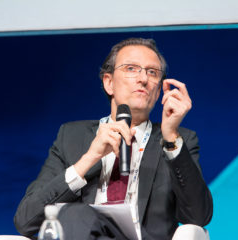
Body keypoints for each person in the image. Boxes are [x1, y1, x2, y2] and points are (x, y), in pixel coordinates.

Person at [14, 38, 213, 240]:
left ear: (159, 90)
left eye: (152, 72)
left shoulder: (178, 139)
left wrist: (171, 137)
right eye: (131, 68)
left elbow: (198, 217)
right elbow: (26, 221)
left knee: (75, 212)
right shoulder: (71, 136)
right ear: (109, 83)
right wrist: (89, 158)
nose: (143, 78)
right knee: (75, 213)